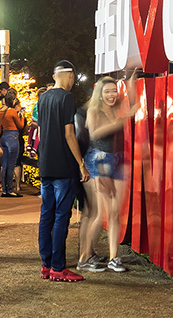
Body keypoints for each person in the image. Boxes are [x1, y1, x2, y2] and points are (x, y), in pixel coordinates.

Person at [77, 72, 141, 273]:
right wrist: (123, 120)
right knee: (99, 214)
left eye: (114, 90)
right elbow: (95, 132)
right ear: (100, 93)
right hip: (99, 160)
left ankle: (114, 257)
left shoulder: (118, 106)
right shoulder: (94, 111)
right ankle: (84, 257)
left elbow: (131, 101)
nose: (112, 95)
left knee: (115, 213)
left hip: (119, 160)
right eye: (107, 91)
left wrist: (130, 81)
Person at [36, 60, 90, 282]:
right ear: (68, 76)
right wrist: (81, 163)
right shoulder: (66, 98)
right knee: (61, 216)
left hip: (45, 165)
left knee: (46, 215)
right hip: (63, 166)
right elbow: (69, 134)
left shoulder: (43, 97)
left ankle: (46, 264)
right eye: (73, 78)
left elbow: (41, 130)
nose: (73, 83)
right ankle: (58, 267)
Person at [0, 89, 25, 197]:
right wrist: (21, 115)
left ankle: (4, 189)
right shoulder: (12, 111)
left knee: (5, 164)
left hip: (4, 136)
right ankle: (10, 189)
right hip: (12, 136)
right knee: (11, 164)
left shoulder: (1, 111)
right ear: (12, 100)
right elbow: (20, 125)